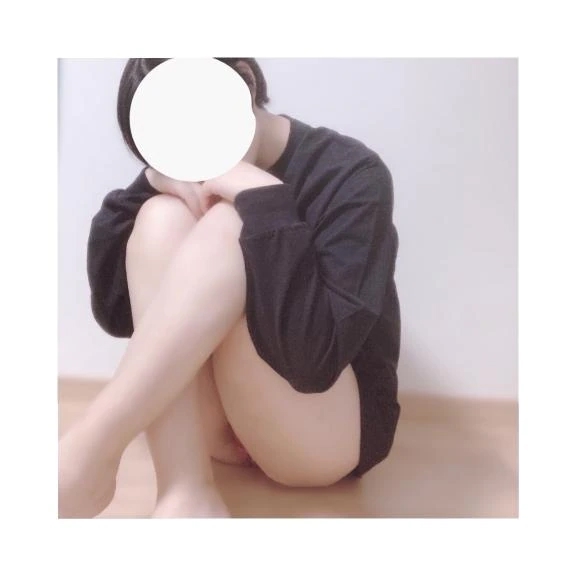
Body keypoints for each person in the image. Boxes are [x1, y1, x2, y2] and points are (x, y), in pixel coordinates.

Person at [58, 58, 401, 518]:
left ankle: (86, 453)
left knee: (230, 221)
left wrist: (266, 203)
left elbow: (314, 365)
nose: (190, 160)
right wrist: (150, 184)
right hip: (217, 431)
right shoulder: (182, 170)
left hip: (321, 433)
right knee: (161, 217)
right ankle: (184, 492)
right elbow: (118, 313)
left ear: (244, 80)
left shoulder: (351, 173)